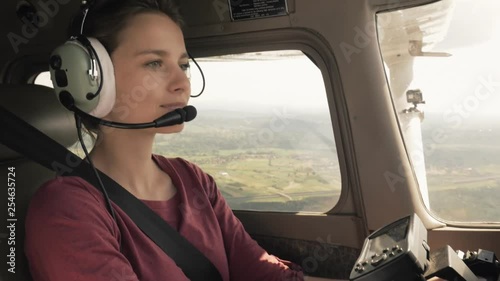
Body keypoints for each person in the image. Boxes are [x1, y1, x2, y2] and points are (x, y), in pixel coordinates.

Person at [24, 0, 305, 280]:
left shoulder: (194, 180)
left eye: (183, 64)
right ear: (90, 79)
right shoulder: (66, 209)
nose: (181, 83)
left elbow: (260, 270)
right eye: (155, 63)